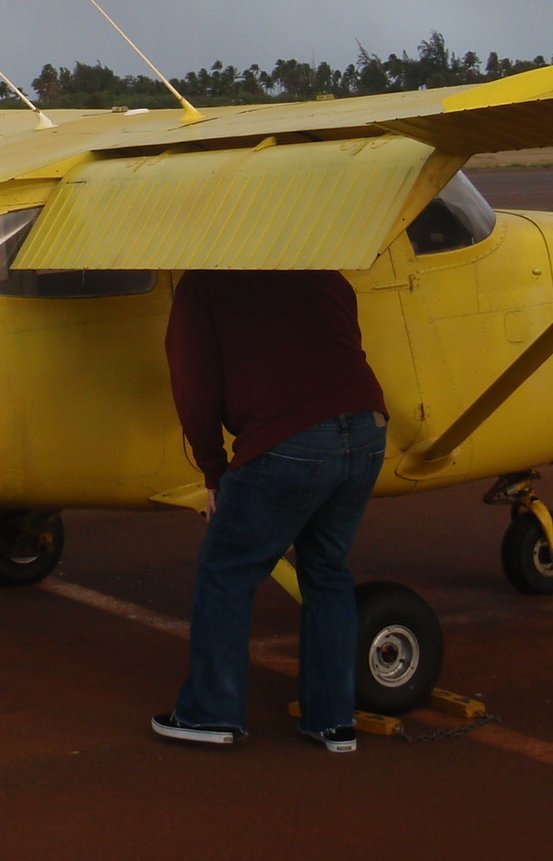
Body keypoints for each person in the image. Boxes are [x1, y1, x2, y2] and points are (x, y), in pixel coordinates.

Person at [150, 269, 387, 752]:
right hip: (367, 428)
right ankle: (333, 720)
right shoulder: (327, 276)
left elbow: (194, 385)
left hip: (288, 441)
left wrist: (214, 470)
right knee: (327, 570)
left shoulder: (204, 285)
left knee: (228, 570)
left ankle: (211, 712)